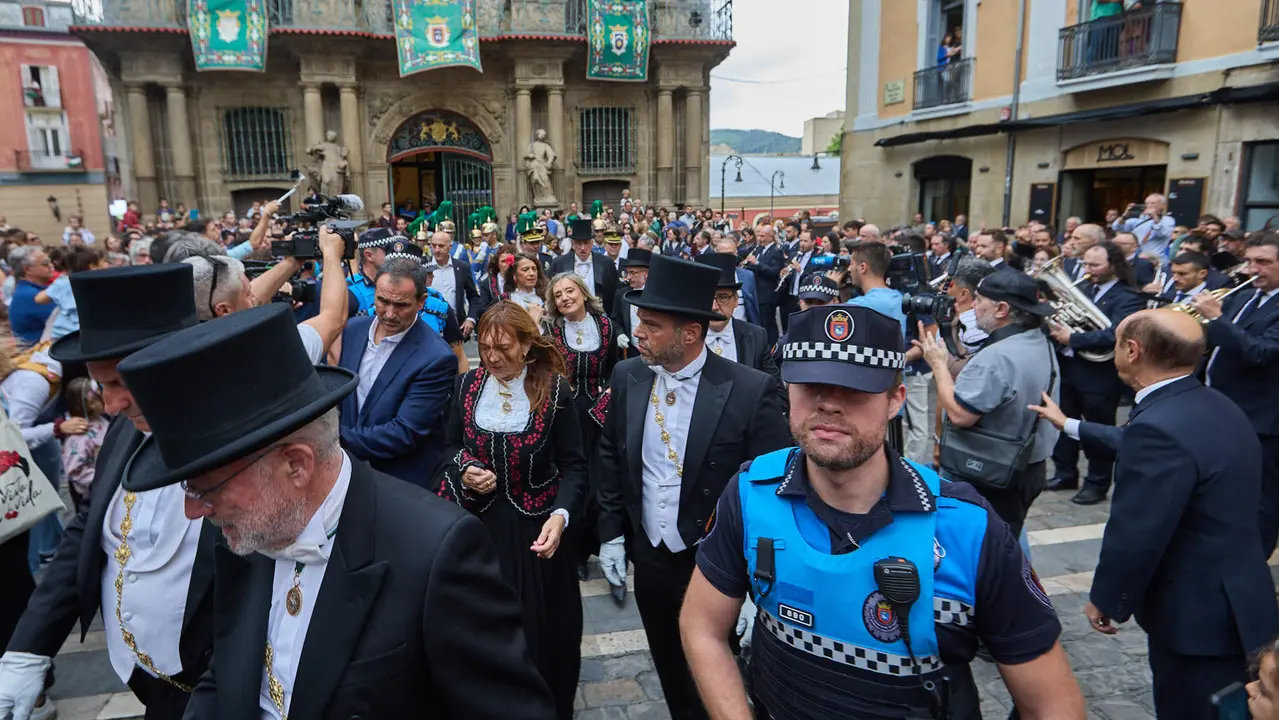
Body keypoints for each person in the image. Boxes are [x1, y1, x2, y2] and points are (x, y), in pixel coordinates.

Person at [113, 303, 557, 720]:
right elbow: (226, 672)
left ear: (296, 465)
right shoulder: (240, 533)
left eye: (209, 487)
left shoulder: (435, 555)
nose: (193, 510)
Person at [680, 304, 1085, 720]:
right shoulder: (751, 493)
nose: (829, 404)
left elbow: (1052, 704)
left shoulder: (965, 529)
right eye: (810, 383)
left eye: (855, 387)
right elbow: (703, 627)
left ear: (896, 400)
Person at [1031, 309, 1279, 719]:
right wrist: (1071, 425)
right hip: (1241, 599)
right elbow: (1147, 444)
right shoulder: (1214, 404)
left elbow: (1137, 531)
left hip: (1194, 618)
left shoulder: (1160, 426)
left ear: (1132, 350)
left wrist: (1108, 598)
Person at [0, 265, 209, 720]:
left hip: (212, 687)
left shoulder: (241, 441)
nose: (111, 405)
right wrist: (29, 646)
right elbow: (87, 529)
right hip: (140, 675)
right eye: (101, 386)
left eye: (122, 383)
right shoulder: (124, 428)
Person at [596, 255, 792, 720]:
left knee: (723, 679)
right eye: (640, 321)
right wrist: (610, 532)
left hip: (719, 565)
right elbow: (609, 455)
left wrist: (761, 580)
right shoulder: (628, 376)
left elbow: (776, 489)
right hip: (652, 556)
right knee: (669, 663)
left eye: (652, 325)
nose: (638, 332)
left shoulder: (749, 389)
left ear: (690, 333)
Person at [437, 301, 587, 718]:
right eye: (485, 347)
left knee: (542, 637)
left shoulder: (554, 390)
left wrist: (561, 516)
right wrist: (465, 468)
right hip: (478, 531)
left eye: (503, 347)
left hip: (537, 535)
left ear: (526, 344)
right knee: (483, 635)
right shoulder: (468, 386)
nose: (493, 357)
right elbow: (448, 448)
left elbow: (575, 466)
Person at [919, 272, 1060, 537]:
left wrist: (938, 364)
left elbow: (960, 415)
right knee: (1008, 538)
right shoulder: (1038, 339)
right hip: (1028, 466)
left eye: (980, 300)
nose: (974, 306)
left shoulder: (998, 356)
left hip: (992, 473)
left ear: (1002, 309)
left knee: (985, 547)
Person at [335, 257, 457, 489]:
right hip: (346, 475)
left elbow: (405, 432)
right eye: (383, 301)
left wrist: (335, 439)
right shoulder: (352, 330)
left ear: (422, 302)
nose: (390, 314)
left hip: (399, 484)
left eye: (401, 305)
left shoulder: (436, 357)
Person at [1193, 231, 1279, 556]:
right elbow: (1218, 341)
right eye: (1249, 260)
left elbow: (1259, 352)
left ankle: (1253, 565)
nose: (1251, 268)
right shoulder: (1245, 296)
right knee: (1226, 488)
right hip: (1223, 409)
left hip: (1263, 419)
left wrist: (1216, 317)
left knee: (1262, 498)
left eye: (1263, 262)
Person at [1046, 242, 1144, 505]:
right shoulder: (1084, 288)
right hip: (1068, 369)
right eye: (1086, 264)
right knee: (1062, 425)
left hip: (1098, 376)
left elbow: (1116, 333)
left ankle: (1097, 483)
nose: (1088, 270)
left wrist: (1073, 338)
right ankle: (1065, 473)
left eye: (1095, 265)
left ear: (1114, 265)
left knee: (1097, 432)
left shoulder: (1129, 296)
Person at [180, 226, 348, 364]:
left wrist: (292, 262)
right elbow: (334, 317)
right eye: (248, 293)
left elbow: (231, 296)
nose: (255, 297)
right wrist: (332, 253)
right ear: (223, 310)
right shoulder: (271, 350)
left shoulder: (179, 351)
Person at [544, 272, 619, 578]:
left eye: (569, 290)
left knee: (600, 480)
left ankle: (601, 542)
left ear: (583, 292)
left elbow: (616, 368)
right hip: (565, 413)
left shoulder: (606, 326)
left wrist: (610, 393)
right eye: (558, 294)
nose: (565, 297)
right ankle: (574, 553)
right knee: (571, 478)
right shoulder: (551, 330)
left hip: (600, 414)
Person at [695, 253, 780, 387]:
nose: (714, 307)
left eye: (723, 297)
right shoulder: (683, 337)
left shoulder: (756, 337)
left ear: (736, 300)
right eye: (707, 297)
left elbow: (776, 392)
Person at [61, 376, 111, 512]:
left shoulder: (102, 420)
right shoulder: (80, 437)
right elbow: (75, 470)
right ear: (91, 403)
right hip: (94, 495)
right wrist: (104, 481)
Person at [34, 247, 104, 341]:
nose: (106, 265)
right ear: (93, 267)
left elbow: (39, 299)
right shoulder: (100, 283)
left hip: (61, 334)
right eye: (103, 262)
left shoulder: (62, 282)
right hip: (84, 335)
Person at [550, 219, 618, 316]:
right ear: (572, 244)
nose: (583, 248)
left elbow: (613, 292)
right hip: (569, 316)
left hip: (600, 315)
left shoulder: (606, 263)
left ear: (592, 243)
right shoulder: (559, 263)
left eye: (586, 243)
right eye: (578, 243)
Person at [428, 231, 480, 339]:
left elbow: (474, 297)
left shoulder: (462, 268)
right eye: (434, 245)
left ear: (450, 247)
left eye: (441, 246)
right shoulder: (422, 267)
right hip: (429, 329)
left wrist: (470, 319)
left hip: (456, 328)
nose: (437, 250)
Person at [742, 224, 786, 345]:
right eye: (759, 235)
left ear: (770, 237)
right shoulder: (759, 249)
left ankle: (772, 347)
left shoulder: (776, 251)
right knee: (759, 322)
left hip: (767, 293)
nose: (759, 238)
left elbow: (774, 272)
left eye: (762, 235)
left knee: (768, 323)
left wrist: (757, 262)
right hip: (756, 291)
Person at [347, 227, 399, 317]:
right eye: (388, 251)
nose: (395, 255)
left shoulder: (398, 282)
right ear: (369, 255)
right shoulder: (351, 291)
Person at [7, 246, 53, 346]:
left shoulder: (28, 290)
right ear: (28, 269)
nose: (51, 265)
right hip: (37, 353)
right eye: (45, 263)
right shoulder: (30, 295)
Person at [1113, 193, 1176, 260]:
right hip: (1135, 258)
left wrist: (1155, 217)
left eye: (1153, 203)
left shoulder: (1167, 220)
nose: (1149, 206)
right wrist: (1125, 215)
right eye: (1147, 203)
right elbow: (1117, 227)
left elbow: (1162, 233)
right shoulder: (1137, 220)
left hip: (1154, 259)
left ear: (1163, 206)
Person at [611, 248, 650, 344]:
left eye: (632, 273)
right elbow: (615, 320)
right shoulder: (621, 295)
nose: (628, 277)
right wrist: (620, 334)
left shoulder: (656, 295)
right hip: (630, 350)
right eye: (628, 272)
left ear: (646, 274)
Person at [476, 243, 518, 318]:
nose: (507, 264)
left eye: (509, 260)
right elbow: (483, 309)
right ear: (497, 264)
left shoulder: (521, 280)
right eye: (503, 261)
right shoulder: (487, 283)